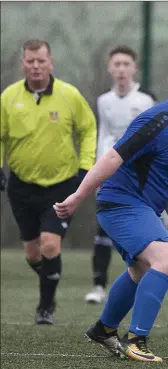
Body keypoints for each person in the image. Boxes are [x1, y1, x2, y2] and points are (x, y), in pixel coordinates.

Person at [54, 68, 168, 362]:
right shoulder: (156, 121)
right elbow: (111, 158)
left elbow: (167, 171)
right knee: (166, 259)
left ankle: (104, 329)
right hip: (121, 204)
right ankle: (136, 340)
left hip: (142, 208)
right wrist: (78, 196)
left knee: (142, 269)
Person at [0, 39, 97, 325]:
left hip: (62, 184)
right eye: (30, 61)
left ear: (50, 63)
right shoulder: (8, 97)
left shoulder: (69, 95)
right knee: (33, 255)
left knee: (50, 245)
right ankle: (50, 279)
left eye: (41, 60)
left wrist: (85, 168)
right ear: (23, 64)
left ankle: (45, 307)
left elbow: (88, 129)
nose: (36, 66)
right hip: (21, 185)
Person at [84, 45, 157, 305]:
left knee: (138, 229)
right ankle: (98, 286)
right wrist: (97, 171)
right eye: (117, 64)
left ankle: (143, 280)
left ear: (134, 68)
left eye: (126, 64)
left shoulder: (146, 100)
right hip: (110, 171)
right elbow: (104, 135)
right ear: (109, 68)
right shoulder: (104, 101)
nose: (121, 69)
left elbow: (153, 139)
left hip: (138, 176)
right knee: (103, 228)